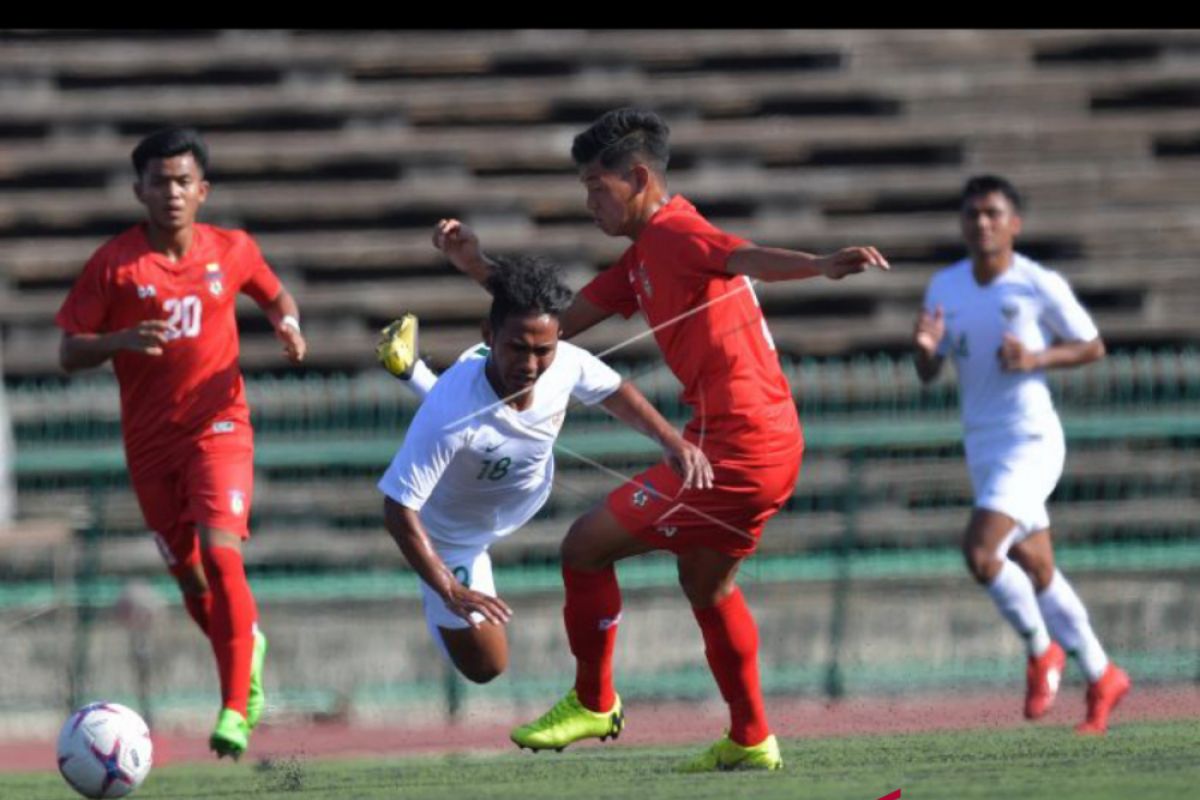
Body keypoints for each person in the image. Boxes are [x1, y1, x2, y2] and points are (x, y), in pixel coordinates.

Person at [431, 108, 888, 771]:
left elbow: (740, 255)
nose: (589, 203)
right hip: (765, 442)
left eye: (596, 186)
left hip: (739, 449)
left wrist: (820, 265)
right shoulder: (644, 256)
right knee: (708, 587)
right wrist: (478, 267)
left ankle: (593, 699)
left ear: (638, 177)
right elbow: (554, 324)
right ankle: (752, 735)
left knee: (584, 548)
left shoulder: (676, 233)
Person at [55, 127, 307, 759]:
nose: (172, 192)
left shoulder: (234, 248)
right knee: (192, 581)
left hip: (218, 426)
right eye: (160, 181)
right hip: (149, 447)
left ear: (203, 190)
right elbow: (67, 350)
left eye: (183, 181)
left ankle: (234, 705)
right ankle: (246, 645)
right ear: (140, 189)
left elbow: (275, 295)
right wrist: (116, 341)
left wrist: (289, 325)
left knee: (222, 558)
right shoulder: (115, 265)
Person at [375, 256, 711, 686]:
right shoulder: (448, 417)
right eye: (517, 348)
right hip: (452, 537)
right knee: (486, 667)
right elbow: (397, 508)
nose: (530, 365)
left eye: (542, 350)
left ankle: (411, 370)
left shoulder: (566, 362)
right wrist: (447, 586)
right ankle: (412, 372)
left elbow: (613, 389)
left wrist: (670, 441)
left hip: (516, 496)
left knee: (481, 424)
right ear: (489, 336)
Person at [913, 174, 1130, 735]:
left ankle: (1042, 651)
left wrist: (1036, 359)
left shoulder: (1036, 283)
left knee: (982, 553)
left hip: (1030, 439)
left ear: (1014, 223)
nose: (981, 223)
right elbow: (930, 371)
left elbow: (1093, 344)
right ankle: (1104, 675)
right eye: (972, 214)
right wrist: (926, 354)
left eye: (992, 213)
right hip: (981, 442)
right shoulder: (945, 286)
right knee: (1036, 567)